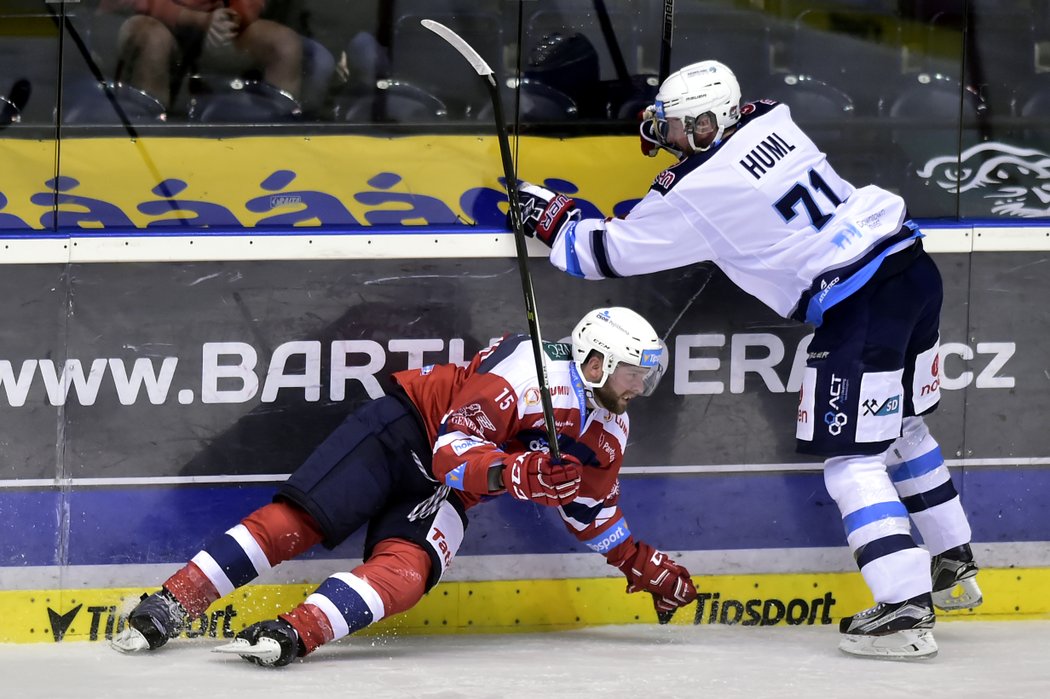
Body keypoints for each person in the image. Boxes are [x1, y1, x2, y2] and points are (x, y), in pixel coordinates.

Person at [509, 61, 981, 660]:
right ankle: (953, 562)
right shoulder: (769, 118)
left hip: (859, 306)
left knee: (852, 464)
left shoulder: (701, 194)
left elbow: (602, 253)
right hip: (911, 271)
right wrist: (665, 130)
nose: (675, 137)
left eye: (686, 128)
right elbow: (714, 147)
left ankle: (905, 612)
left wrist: (548, 215)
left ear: (713, 124)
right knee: (906, 427)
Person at [111, 307, 697, 666]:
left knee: (407, 574)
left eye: (646, 374)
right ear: (595, 361)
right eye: (633, 371)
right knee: (297, 524)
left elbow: (590, 512)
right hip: (407, 432)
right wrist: (517, 472)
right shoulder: (527, 370)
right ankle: (172, 603)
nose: (640, 385)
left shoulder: (609, 427)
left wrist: (642, 565)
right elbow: (451, 452)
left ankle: (294, 633)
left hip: (452, 490)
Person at [100, 0, 303, 110]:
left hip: (208, 24)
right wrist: (197, 20)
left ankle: (270, 154)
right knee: (153, 40)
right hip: (137, 19)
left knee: (284, 45)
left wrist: (230, 19)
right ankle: (146, 142)